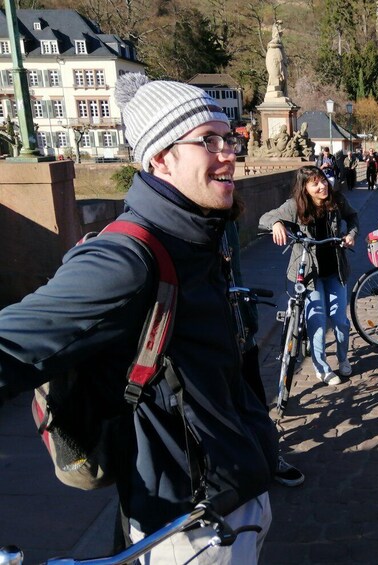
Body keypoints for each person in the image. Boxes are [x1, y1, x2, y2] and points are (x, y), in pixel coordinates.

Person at [0, 73, 278, 563]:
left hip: (237, 495)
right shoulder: (127, 258)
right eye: (207, 141)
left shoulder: (200, 235)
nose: (229, 152)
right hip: (189, 527)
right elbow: (11, 345)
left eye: (228, 137)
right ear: (159, 158)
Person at [259, 166, 359, 385]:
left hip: (335, 270)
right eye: (315, 183)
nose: (322, 186)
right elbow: (265, 217)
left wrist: (351, 235)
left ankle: (343, 359)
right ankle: (321, 367)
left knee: (341, 321)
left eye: (322, 180)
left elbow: (353, 217)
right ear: (305, 188)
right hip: (310, 275)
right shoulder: (295, 206)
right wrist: (276, 223)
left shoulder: (336, 200)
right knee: (318, 322)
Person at [224, 220, 305, 487]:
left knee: (255, 400)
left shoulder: (226, 217)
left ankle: (269, 458)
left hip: (239, 327)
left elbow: (235, 273)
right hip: (204, 336)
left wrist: (248, 318)